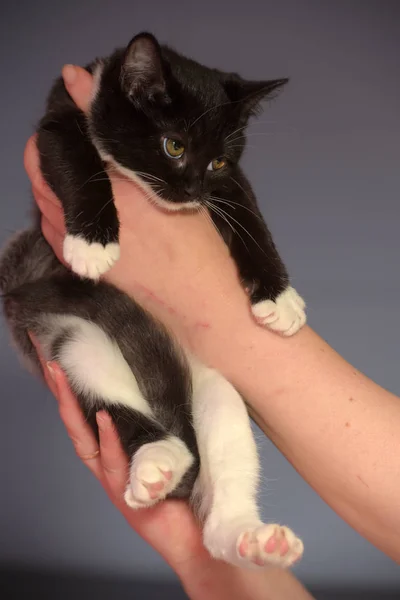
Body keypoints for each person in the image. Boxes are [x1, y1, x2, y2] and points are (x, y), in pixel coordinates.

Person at [24, 65, 400, 599]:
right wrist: (94, 221)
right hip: (100, 320)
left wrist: (267, 282)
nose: (193, 182)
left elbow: (236, 199)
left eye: (216, 161)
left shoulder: (198, 160)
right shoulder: (95, 109)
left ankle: (230, 518)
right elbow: (57, 139)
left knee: (219, 391)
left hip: (184, 351)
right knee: (81, 347)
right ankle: (150, 440)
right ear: (133, 90)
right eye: (179, 149)